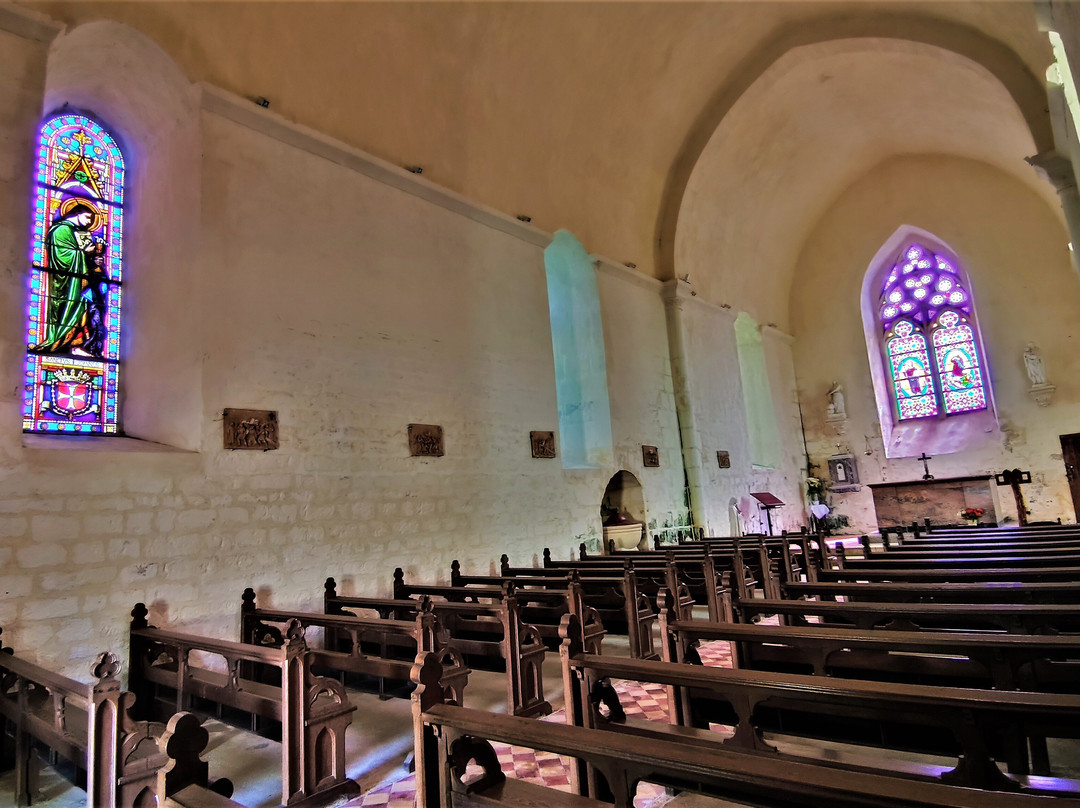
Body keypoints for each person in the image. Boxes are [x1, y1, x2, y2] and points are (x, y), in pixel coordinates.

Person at [33, 201, 109, 357]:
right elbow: (62, 257)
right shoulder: (61, 230)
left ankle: (80, 345)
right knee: (68, 312)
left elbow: (83, 261)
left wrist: (93, 259)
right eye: (87, 217)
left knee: (86, 311)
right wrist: (83, 253)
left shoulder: (76, 231)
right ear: (76, 214)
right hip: (65, 284)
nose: (89, 222)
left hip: (79, 283)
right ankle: (63, 344)